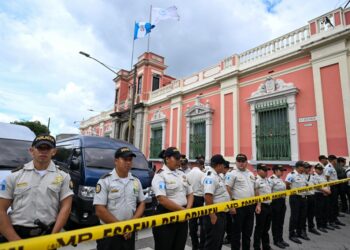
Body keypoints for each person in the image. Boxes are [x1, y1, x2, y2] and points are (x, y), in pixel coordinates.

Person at [0, 134, 73, 241]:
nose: (43, 151)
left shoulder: (63, 176)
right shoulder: (14, 176)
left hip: (47, 233)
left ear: (54, 152)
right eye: (40, 148)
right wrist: (15, 240)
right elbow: (1, 209)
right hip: (17, 233)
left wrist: (53, 237)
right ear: (31, 150)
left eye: (47, 148)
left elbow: (66, 208)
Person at [93, 147, 145, 250]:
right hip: (110, 232)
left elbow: (142, 203)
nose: (128, 162)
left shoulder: (135, 181)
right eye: (125, 159)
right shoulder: (105, 181)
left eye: (130, 160)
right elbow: (99, 210)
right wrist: (121, 227)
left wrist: (131, 225)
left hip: (129, 232)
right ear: (116, 161)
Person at [152, 147, 194, 250]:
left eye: (179, 158)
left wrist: (187, 210)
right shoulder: (160, 175)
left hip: (183, 217)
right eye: (176, 158)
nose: (179, 161)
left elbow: (190, 193)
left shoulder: (182, 174)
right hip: (167, 217)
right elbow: (162, 199)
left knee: (179, 246)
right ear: (167, 159)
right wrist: (183, 211)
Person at [225, 154, 255, 250]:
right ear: (236, 162)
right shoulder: (232, 173)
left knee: (248, 231)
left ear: (246, 162)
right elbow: (227, 189)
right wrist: (231, 206)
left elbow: (254, 188)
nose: (241, 163)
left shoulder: (250, 173)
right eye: (239, 161)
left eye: (243, 161)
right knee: (236, 232)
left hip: (250, 206)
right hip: (238, 206)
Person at [202, 154, 231, 250]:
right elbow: (208, 197)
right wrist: (212, 215)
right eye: (223, 165)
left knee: (218, 241)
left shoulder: (218, 175)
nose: (224, 167)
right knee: (212, 243)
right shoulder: (211, 177)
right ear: (219, 165)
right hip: (214, 214)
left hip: (221, 213)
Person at [285, 161, 308, 244]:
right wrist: (291, 191)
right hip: (295, 197)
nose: (304, 168)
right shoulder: (291, 174)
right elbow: (287, 184)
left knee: (302, 216)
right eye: (303, 167)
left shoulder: (303, 175)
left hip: (303, 197)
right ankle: (292, 234)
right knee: (295, 216)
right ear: (298, 167)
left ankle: (300, 232)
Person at [187, 155, 206, 250]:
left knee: (192, 222)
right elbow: (205, 188)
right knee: (203, 223)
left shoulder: (188, 174)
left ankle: (195, 245)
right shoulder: (203, 174)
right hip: (200, 199)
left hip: (190, 199)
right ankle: (202, 245)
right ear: (201, 165)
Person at [269, 165, 289, 249]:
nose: (282, 172)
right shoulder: (271, 180)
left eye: (283, 170)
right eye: (281, 170)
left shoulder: (280, 179)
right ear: (276, 171)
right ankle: (276, 240)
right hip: (275, 202)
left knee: (281, 222)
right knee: (276, 222)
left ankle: (280, 239)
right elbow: (269, 192)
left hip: (282, 202)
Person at [253, 164, 272, 250]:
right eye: (264, 170)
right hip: (261, 206)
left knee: (266, 228)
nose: (266, 172)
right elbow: (256, 194)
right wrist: (258, 205)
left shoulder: (266, 180)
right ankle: (257, 247)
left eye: (266, 170)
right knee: (260, 228)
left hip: (268, 205)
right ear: (259, 170)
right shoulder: (256, 180)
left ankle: (266, 246)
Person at [324, 155, 345, 228]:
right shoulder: (328, 167)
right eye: (336, 160)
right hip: (331, 187)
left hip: (335, 187)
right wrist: (328, 188)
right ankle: (331, 221)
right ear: (334, 160)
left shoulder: (332, 167)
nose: (336, 161)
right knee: (331, 205)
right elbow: (326, 179)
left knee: (335, 204)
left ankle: (335, 219)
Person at [313, 163, 331, 233]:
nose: (321, 171)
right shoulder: (314, 176)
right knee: (319, 211)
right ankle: (320, 226)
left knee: (325, 209)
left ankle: (325, 224)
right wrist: (325, 191)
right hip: (319, 195)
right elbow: (316, 186)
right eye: (319, 169)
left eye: (321, 169)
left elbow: (327, 184)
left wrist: (328, 190)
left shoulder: (323, 176)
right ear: (316, 169)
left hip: (325, 194)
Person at [303, 162, 320, 235]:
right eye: (307, 167)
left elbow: (316, 185)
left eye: (309, 167)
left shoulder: (312, 176)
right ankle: (303, 229)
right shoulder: (301, 176)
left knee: (311, 213)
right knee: (304, 215)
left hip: (312, 196)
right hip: (305, 197)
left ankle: (311, 227)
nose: (309, 169)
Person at [222, 160, 233, 245]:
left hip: (228, 202)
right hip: (228, 202)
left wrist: (230, 203)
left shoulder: (228, 175)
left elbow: (228, 189)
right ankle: (229, 236)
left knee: (228, 221)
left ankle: (229, 237)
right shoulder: (226, 174)